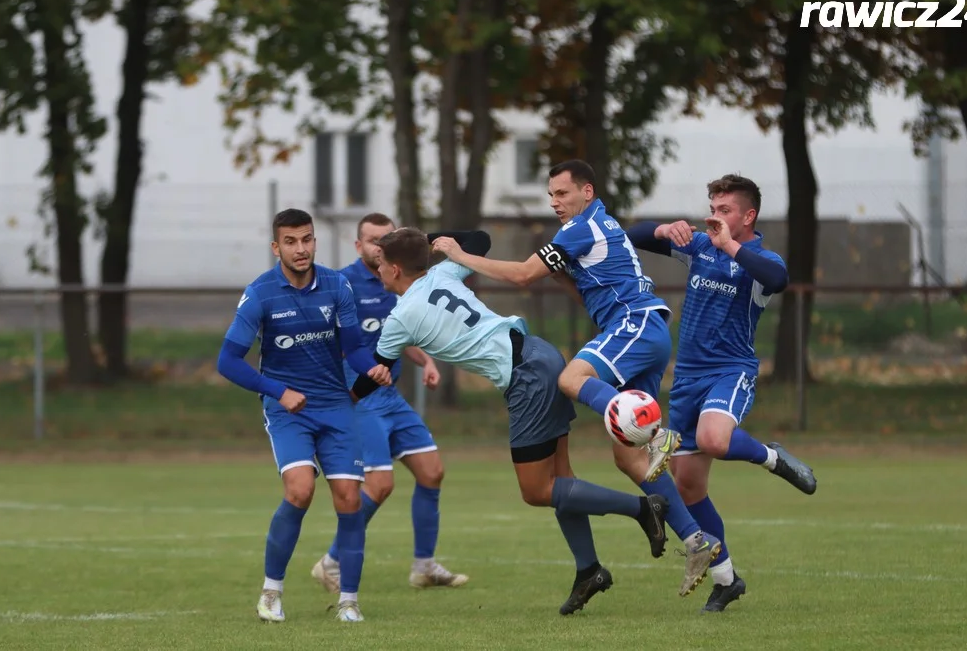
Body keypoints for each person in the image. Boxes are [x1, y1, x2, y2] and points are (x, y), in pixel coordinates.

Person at [350, 226, 720, 614]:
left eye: (379, 267)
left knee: (536, 491)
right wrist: (430, 237)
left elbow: (374, 373)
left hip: (525, 378)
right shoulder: (443, 272)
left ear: (393, 270)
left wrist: (341, 403)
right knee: (561, 478)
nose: (377, 273)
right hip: (539, 353)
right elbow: (480, 238)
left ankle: (645, 509)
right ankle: (588, 569)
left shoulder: (399, 318)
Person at [430, 160, 718, 596]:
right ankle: (697, 541)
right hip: (647, 329)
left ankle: (656, 432)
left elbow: (525, 275)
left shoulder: (581, 227)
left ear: (587, 191)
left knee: (570, 378)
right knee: (627, 459)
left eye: (562, 193)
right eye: (550, 195)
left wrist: (459, 255)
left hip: (633, 323)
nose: (554, 202)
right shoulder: (597, 224)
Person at [626, 174, 818, 613]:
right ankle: (726, 579)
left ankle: (771, 456)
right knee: (689, 487)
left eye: (725, 210)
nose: (715, 217)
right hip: (688, 378)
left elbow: (778, 277)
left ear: (748, 217)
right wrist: (662, 230)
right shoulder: (698, 245)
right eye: (712, 207)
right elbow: (632, 236)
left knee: (715, 439)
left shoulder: (759, 260)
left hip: (729, 372)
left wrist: (730, 245)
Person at [216, 208, 390, 624]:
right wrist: (278, 391)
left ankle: (348, 601)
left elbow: (354, 347)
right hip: (287, 408)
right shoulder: (260, 293)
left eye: (307, 240)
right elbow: (228, 361)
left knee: (349, 499)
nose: (301, 249)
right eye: (291, 242)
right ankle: (271, 592)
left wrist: (372, 367)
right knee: (299, 490)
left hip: (335, 405)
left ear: (315, 241)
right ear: (277, 247)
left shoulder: (337, 286)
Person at [311, 213, 468, 592]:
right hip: (359, 399)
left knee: (432, 472)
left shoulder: (397, 277)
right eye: (372, 240)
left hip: (390, 396)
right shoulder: (343, 283)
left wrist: (426, 361)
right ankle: (331, 562)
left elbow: (397, 336)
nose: (378, 246)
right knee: (379, 485)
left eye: (386, 239)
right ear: (357, 244)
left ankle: (424, 566)